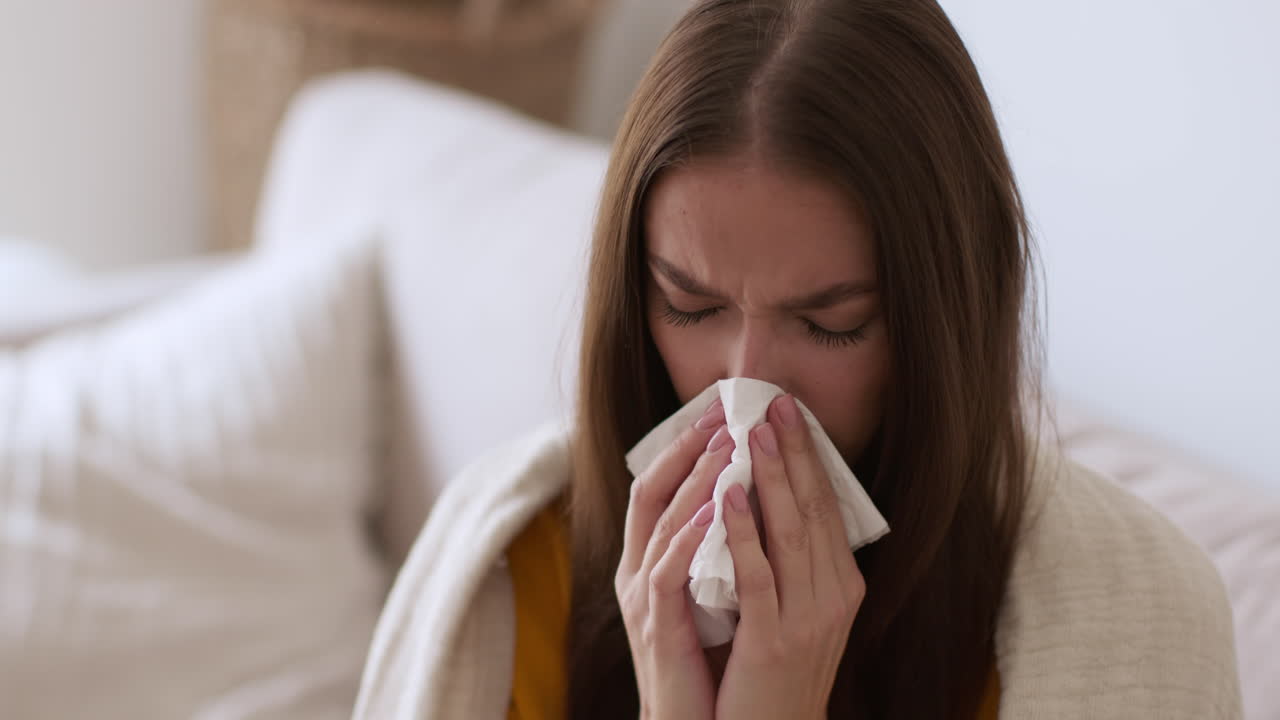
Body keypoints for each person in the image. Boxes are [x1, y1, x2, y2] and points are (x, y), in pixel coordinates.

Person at [354, 0, 1242, 718]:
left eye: (831, 324)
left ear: (945, 323)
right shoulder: (505, 575)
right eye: (690, 306)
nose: (745, 383)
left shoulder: (1140, 616)